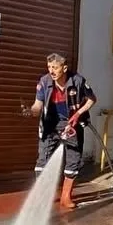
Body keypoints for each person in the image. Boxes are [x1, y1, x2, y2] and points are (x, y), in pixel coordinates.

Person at [27, 53, 97, 210]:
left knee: (73, 159)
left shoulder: (78, 81)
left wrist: (78, 114)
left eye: (55, 67)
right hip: (50, 125)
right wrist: (31, 111)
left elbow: (92, 99)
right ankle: (41, 197)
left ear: (64, 68)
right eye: (49, 67)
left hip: (71, 124)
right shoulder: (44, 81)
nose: (51, 71)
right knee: (43, 160)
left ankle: (66, 197)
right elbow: (38, 105)